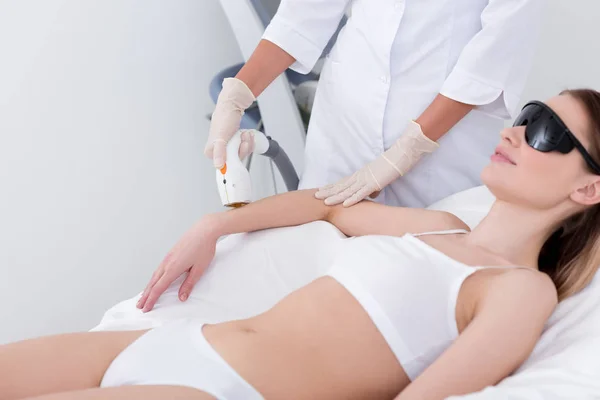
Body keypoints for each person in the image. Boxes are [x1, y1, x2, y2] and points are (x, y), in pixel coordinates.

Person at [3, 89, 600, 400]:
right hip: (169, 342)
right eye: (525, 114)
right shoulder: (434, 228)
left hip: (221, 390)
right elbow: (323, 203)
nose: (513, 132)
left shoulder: (521, 290)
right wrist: (215, 226)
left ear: (589, 186)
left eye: (545, 130)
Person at [206, 0, 544, 208]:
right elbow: (304, 14)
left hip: (439, 159)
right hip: (344, 135)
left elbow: (492, 56)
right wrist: (236, 95)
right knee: (314, 267)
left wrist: (406, 151)